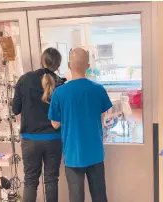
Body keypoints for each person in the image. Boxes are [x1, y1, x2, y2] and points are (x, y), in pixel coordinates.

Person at [48, 47, 112, 202]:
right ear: (88, 66)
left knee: (76, 197)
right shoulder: (98, 89)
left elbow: (55, 124)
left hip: (73, 153)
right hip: (95, 152)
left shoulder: (59, 93)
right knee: (100, 196)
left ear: (69, 65)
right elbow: (103, 117)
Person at [12, 48, 66, 202]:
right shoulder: (61, 84)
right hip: (54, 139)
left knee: (30, 181)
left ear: (42, 60)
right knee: (51, 180)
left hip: (30, 139)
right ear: (58, 64)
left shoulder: (25, 79)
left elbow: (15, 109)